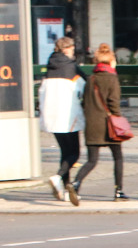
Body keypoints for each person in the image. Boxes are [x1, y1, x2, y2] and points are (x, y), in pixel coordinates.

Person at [74, 43, 128, 202]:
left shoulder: (91, 79)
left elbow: (85, 102)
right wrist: (118, 120)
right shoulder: (112, 79)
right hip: (109, 125)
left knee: (92, 160)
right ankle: (118, 191)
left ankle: (76, 183)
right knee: (118, 157)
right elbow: (114, 103)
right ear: (111, 62)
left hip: (92, 124)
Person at [39, 37, 85, 205]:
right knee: (74, 153)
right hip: (68, 116)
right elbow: (84, 88)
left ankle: (64, 188)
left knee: (64, 152)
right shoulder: (71, 68)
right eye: (72, 49)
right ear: (66, 49)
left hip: (51, 117)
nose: (73, 52)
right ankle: (58, 177)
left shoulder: (49, 67)